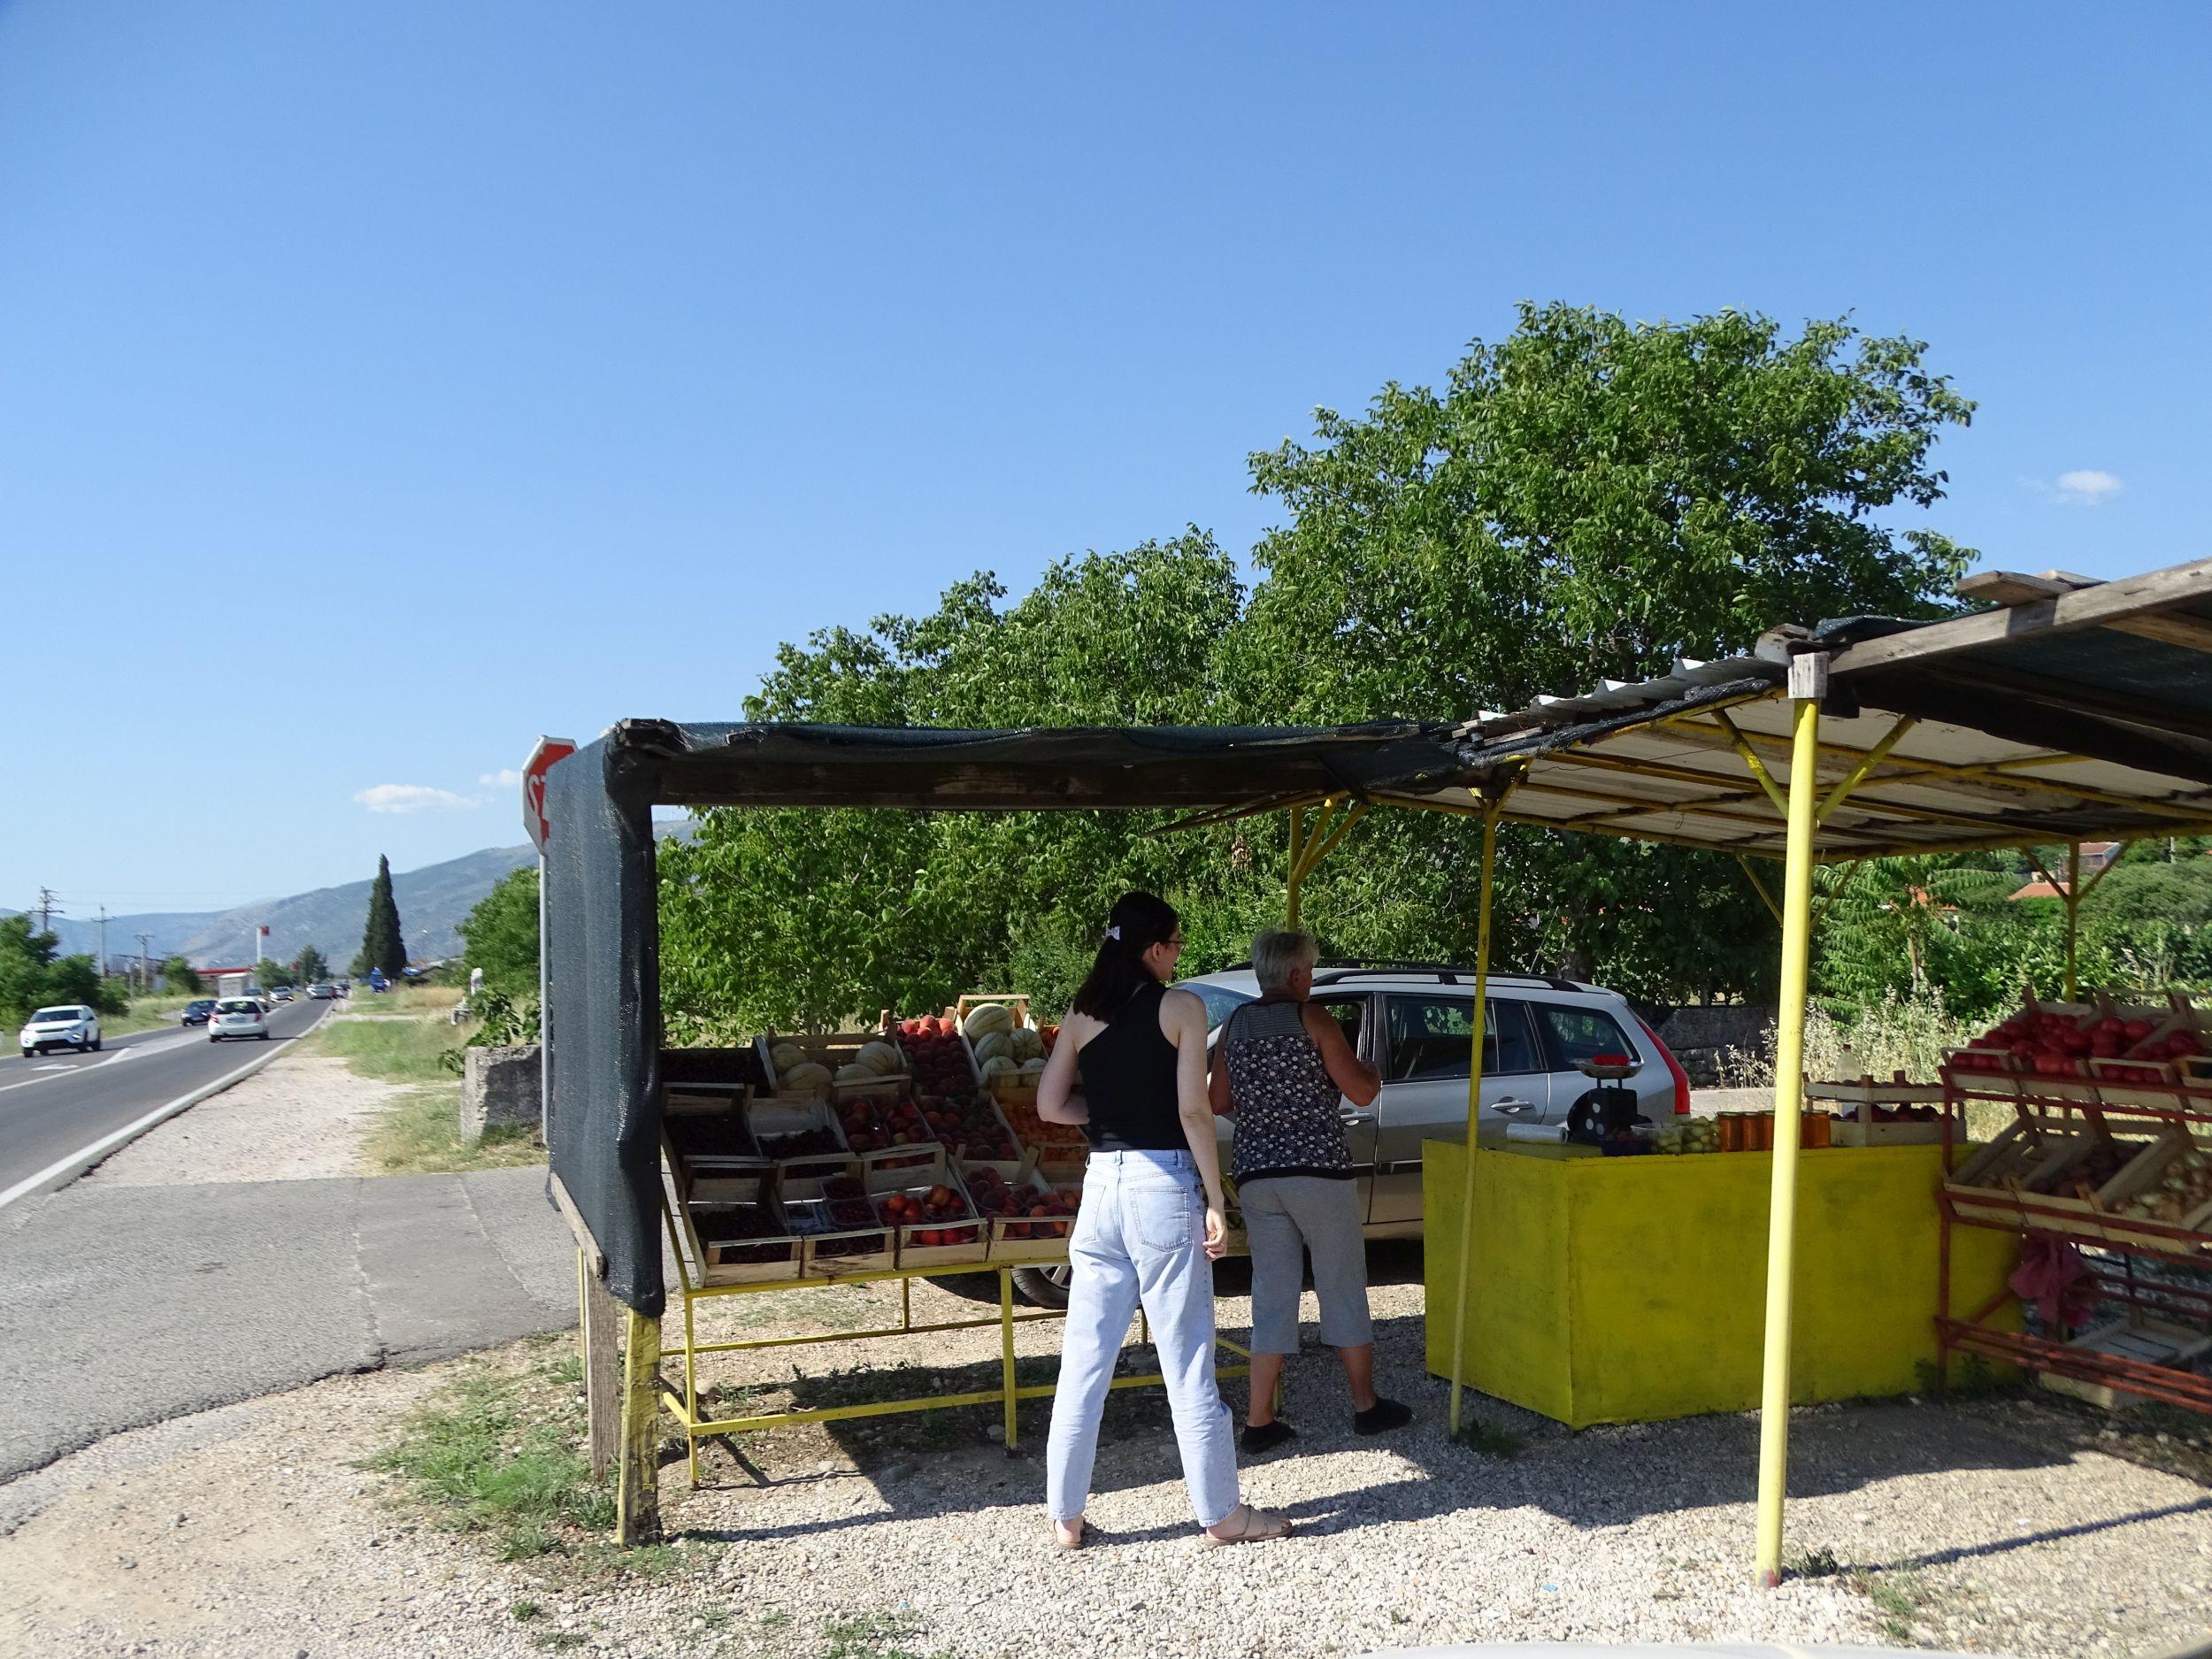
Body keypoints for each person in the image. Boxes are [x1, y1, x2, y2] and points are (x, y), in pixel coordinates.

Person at [1038, 891, 1292, 1550]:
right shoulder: (1182, 1006)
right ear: (1154, 947)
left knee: (1084, 1363)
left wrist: (1105, 1115)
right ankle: (1221, 1513)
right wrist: (1215, 1195)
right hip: (1163, 1187)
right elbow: (1193, 1112)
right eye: (1176, 942)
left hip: (1101, 1189)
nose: (1180, 953)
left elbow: (1048, 1103)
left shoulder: (1081, 1012)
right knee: (1188, 1362)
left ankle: (1065, 1516)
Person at [1210, 927, 1411, 1452]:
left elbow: (1216, 1099)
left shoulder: (1235, 1024)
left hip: (1258, 1175)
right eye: (1311, 971)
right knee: (1340, 1283)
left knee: (1271, 1293)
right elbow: (1362, 1091)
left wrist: (1263, 1117)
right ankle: (1366, 1407)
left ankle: (1258, 1422)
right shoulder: (1313, 1018)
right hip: (1319, 1172)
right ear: (1299, 974)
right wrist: (1372, 1068)